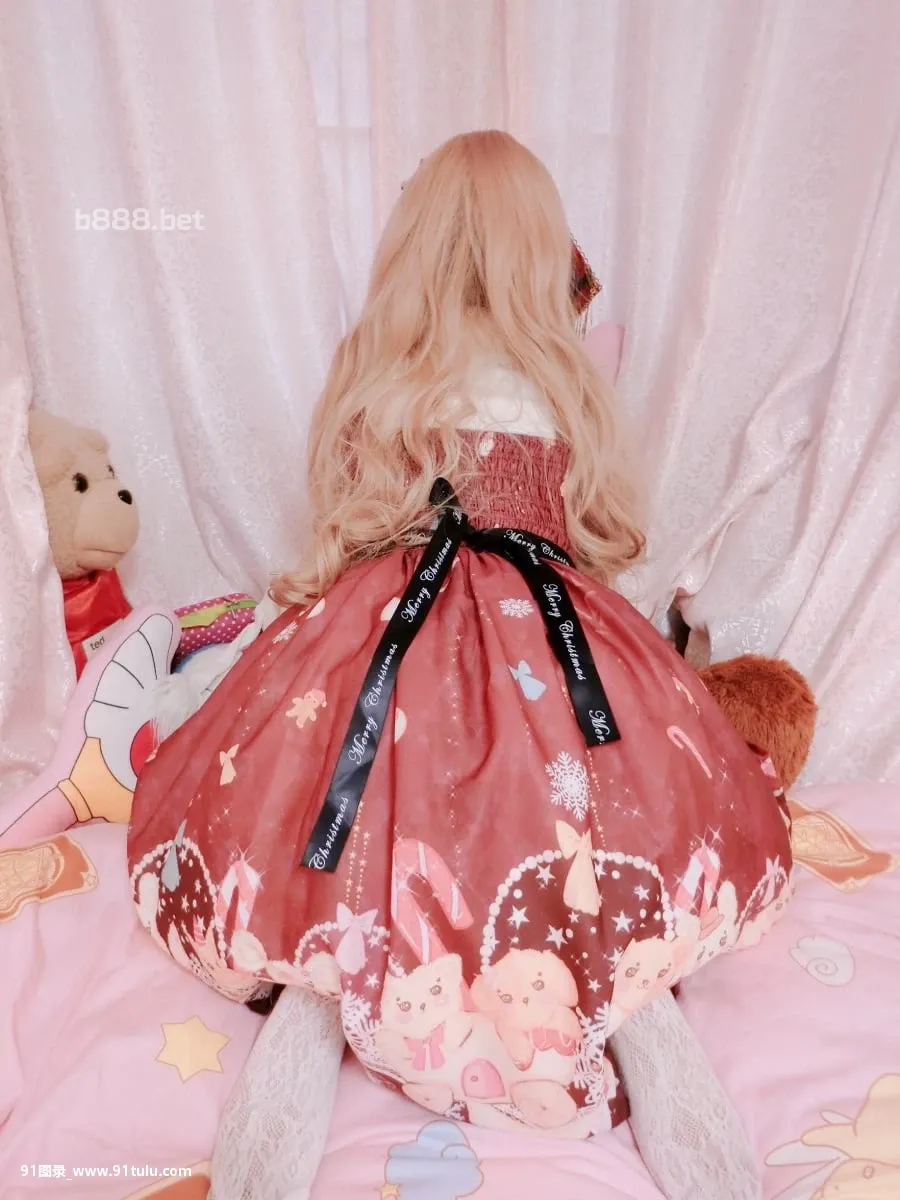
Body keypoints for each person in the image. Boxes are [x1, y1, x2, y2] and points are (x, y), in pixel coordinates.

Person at [128, 131, 788, 1198]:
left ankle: (321, 987)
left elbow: (353, 528)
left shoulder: (383, 375)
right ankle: (631, 1010)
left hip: (385, 635)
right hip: (548, 635)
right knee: (595, 842)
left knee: (332, 856)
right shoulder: (563, 383)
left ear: (418, 239)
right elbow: (591, 539)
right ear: (537, 248)